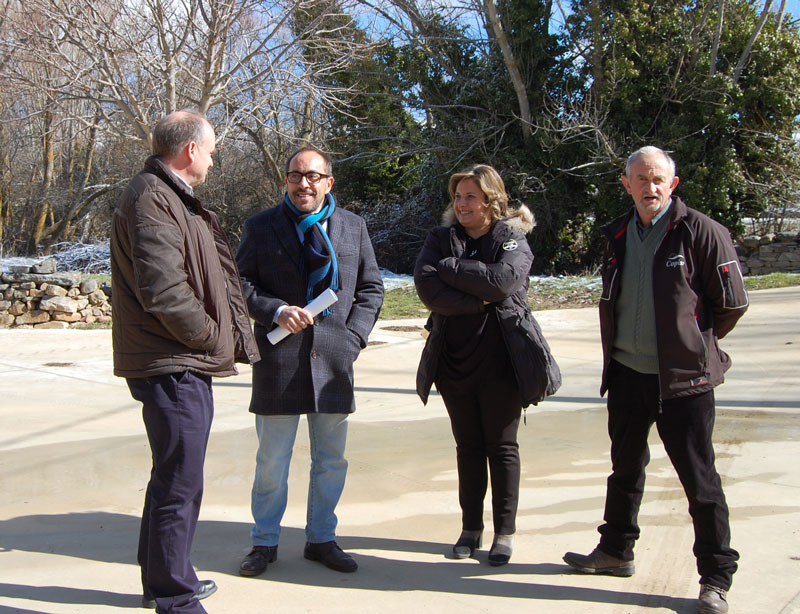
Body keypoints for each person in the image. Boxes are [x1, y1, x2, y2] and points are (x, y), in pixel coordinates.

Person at [563, 146, 748, 614]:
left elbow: (732, 304)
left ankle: (716, 578)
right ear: (627, 184)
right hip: (627, 374)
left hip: (684, 383)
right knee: (624, 469)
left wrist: (692, 344)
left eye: (659, 179)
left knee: (700, 482)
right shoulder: (619, 234)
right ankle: (615, 550)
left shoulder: (702, 232)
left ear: (673, 183)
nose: (651, 187)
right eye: (641, 179)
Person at [110, 110, 260, 613]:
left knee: (171, 474)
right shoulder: (153, 197)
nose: (214, 160)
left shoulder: (166, 195)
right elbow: (165, 291)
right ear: (191, 150)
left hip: (178, 358)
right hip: (172, 360)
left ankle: (162, 580)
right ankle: (176, 596)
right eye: (212, 150)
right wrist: (213, 339)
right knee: (181, 481)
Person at [235, 145, 383, 576]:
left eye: (313, 176)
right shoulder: (261, 227)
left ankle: (321, 538)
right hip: (279, 358)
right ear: (286, 180)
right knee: (272, 462)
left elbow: (372, 288)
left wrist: (353, 337)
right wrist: (276, 309)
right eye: (296, 175)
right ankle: (264, 543)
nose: (305, 183)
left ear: (328, 182)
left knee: (331, 460)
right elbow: (239, 284)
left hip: (335, 364)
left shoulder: (353, 227)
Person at [414, 164, 560, 566]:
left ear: (491, 200)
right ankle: (470, 528)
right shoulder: (440, 237)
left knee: (502, 446)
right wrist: (475, 299)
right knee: (468, 448)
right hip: (454, 362)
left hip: (502, 362)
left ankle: (505, 533)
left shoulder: (513, 239)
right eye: (457, 197)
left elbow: (503, 283)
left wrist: (452, 269)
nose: (461, 204)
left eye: (470, 197)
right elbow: (428, 288)